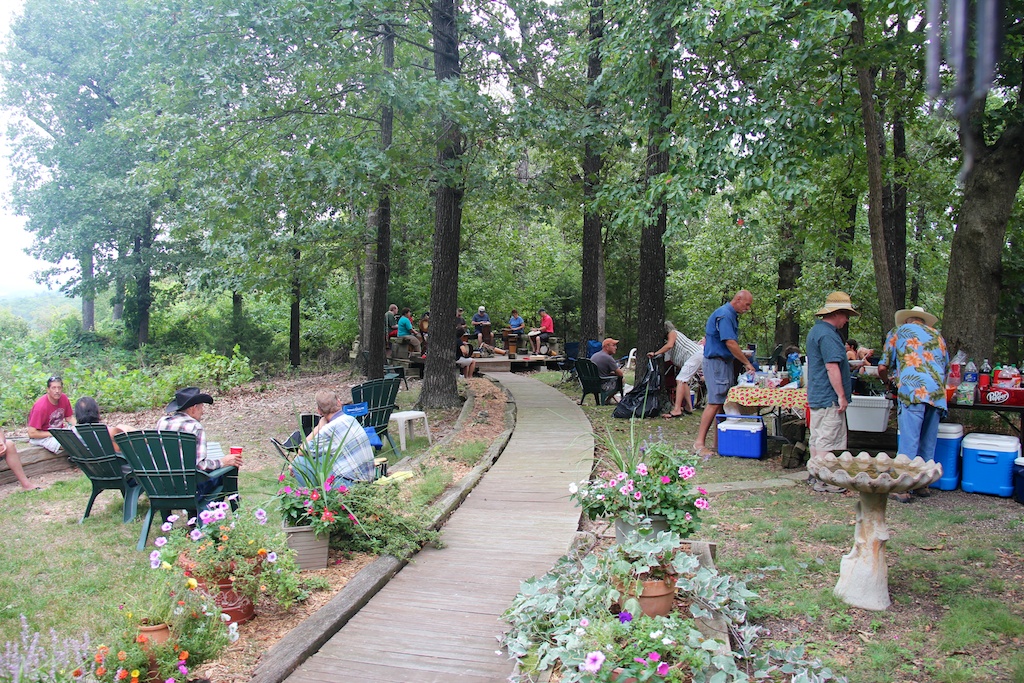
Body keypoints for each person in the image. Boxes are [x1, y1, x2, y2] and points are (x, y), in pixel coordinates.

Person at [878, 306, 949, 502]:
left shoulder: (898, 332)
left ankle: (902, 487)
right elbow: (946, 367)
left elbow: (882, 366)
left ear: (907, 321)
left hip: (913, 390)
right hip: (936, 393)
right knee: (928, 441)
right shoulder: (938, 336)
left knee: (909, 441)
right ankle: (922, 484)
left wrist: (887, 381)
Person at [805, 292, 858, 494]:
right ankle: (824, 480)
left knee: (817, 437)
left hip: (818, 394)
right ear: (836, 313)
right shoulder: (828, 335)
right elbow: (831, 367)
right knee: (827, 440)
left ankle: (813, 474)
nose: (846, 320)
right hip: (829, 397)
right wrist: (841, 396)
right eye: (846, 315)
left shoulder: (816, 330)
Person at [693, 290, 755, 456]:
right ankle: (699, 444)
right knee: (714, 402)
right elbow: (730, 343)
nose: (748, 309)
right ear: (738, 299)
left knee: (722, 402)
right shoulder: (725, 315)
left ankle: (719, 442)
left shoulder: (731, 315)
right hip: (716, 363)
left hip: (724, 362)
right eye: (747, 304)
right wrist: (746, 362)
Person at [157, 387, 242, 498]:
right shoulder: (195, 427)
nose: (203, 411)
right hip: (190, 490)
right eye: (201, 407)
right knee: (225, 474)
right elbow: (200, 465)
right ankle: (223, 506)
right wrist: (222, 462)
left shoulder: (162, 422)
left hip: (162, 488)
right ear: (193, 408)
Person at [292, 390, 376, 486]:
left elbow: (302, 450)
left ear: (319, 411)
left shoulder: (329, 429)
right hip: (368, 478)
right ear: (339, 403)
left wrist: (319, 427)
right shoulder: (351, 419)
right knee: (322, 456)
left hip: (350, 483)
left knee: (298, 462)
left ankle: (312, 493)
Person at [649, 321, 702, 418]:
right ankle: (689, 407)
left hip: (694, 355)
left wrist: (655, 353)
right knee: (684, 381)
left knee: (680, 380)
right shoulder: (673, 341)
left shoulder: (673, 333)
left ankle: (677, 410)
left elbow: (669, 345)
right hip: (696, 357)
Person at [27, 375, 74, 453]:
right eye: (54, 388)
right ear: (48, 390)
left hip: (59, 433)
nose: (57, 391)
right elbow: (32, 433)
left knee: (80, 439)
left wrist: (78, 428)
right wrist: (53, 434)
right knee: (69, 444)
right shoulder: (40, 407)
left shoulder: (64, 398)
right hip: (42, 437)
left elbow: (69, 418)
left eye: (59, 388)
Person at [590, 338, 624, 403]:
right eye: (613, 345)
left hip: (591, 384)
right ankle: (607, 400)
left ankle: (607, 400)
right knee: (620, 380)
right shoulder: (608, 358)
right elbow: (620, 374)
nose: (616, 348)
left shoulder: (595, 355)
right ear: (607, 347)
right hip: (602, 385)